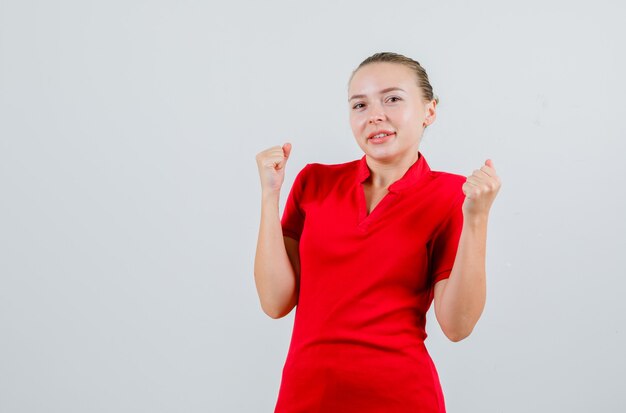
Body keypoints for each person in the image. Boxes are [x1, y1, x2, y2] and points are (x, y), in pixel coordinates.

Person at [254, 52, 501, 413]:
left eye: (393, 99)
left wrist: (477, 217)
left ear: (429, 111)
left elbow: (457, 325)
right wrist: (269, 194)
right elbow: (275, 302)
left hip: (401, 398)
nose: (374, 116)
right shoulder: (314, 182)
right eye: (360, 104)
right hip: (305, 397)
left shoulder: (452, 195)